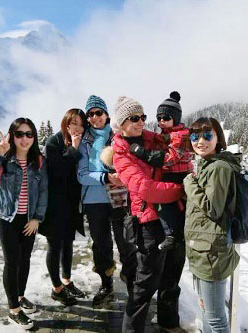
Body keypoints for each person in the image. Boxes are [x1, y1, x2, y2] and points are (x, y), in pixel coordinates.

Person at [111, 96, 186, 333]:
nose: (141, 122)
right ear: (121, 123)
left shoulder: (152, 140)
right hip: (149, 222)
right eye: (134, 118)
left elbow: (177, 148)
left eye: (143, 117)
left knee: (172, 275)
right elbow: (146, 189)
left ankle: (169, 322)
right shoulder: (121, 154)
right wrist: (184, 190)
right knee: (145, 284)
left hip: (172, 217)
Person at [0, 118, 48, 330]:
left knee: (25, 258)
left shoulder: (38, 161)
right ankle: (14, 310)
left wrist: (37, 217)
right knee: (12, 261)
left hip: (28, 219)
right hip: (7, 217)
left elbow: (44, 191)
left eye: (29, 134)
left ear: (34, 137)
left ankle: (19, 296)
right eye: (19, 134)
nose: (24, 139)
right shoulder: (5, 159)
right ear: (12, 136)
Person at [183, 117, 240, 333]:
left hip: (211, 255)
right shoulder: (208, 165)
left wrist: (189, 183)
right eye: (195, 136)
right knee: (207, 310)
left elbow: (212, 208)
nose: (200, 141)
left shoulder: (218, 168)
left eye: (207, 135)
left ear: (218, 138)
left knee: (216, 320)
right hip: (204, 250)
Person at [77, 95, 129, 305]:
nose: (95, 117)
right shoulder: (83, 141)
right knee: (101, 244)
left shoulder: (119, 135)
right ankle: (106, 283)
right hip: (94, 200)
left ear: (107, 114)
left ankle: (130, 277)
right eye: (91, 114)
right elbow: (81, 175)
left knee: (126, 239)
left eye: (99, 112)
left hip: (119, 196)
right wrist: (105, 177)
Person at [128, 91, 193, 251]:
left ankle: (174, 235)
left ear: (175, 118)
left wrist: (145, 154)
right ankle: (172, 233)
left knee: (169, 205)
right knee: (166, 205)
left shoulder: (182, 136)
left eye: (166, 118)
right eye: (159, 118)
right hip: (169, 175)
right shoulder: (165, 135)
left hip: (179, 175)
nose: (161, 121)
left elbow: (170, 158)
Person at [38, 108, 87, 306]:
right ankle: (56, 288)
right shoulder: (53, 142)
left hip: (71, 203)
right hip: (54, 204)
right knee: (55, 245)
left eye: (81, 124)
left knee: (68, 243)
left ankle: (66, 281)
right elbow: (57, 172)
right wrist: (74, 149)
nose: (78, 127)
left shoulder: (80, 141)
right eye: (74, 123)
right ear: (66, 123)